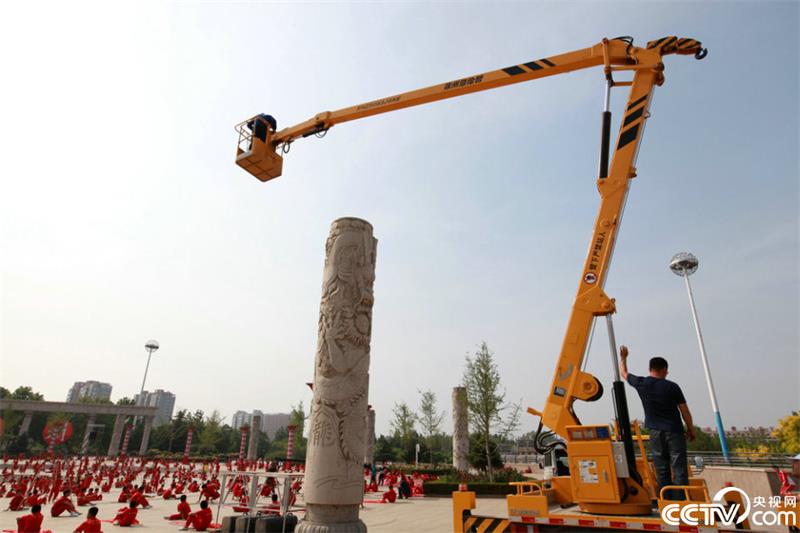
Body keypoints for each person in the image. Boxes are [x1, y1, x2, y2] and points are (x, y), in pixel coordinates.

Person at [620, 345, 695, 500]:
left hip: (655, 432)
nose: (667, 373)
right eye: (666, 371)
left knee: (661, 470)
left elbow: (624, 373)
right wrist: (691, 429)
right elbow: (684, 411)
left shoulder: (642, 383)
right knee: (679, 469)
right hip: (674, 431)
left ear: (650, 369)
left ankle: (666, 503)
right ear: (663, 370)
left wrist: (624, 358)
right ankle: (682, 504)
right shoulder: (672, 386)